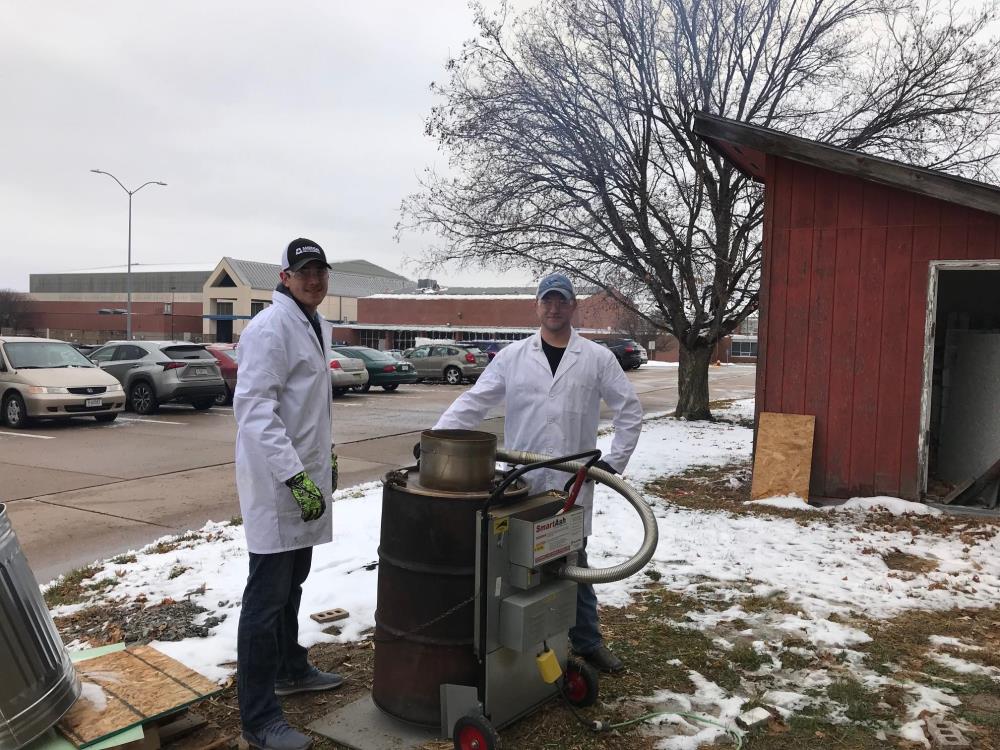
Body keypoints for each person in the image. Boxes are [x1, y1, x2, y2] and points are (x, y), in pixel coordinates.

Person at [433, 273, 642, 673]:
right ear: (537, 305)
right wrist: (437, 439)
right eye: (547, 300)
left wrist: (613, 464)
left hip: (570, 484)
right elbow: (475, 401)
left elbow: (629, 410)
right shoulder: (513, 357)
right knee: (512, 563)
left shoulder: (597, 358)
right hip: (521, 484)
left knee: (573, 563)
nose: (554, 307)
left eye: (561, 300)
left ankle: (586, 641)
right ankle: (512, 647)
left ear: (573, 305)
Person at [233, 238, 344, 750]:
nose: (314, 279)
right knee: (266, 596)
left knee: (292, 583)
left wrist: (327, 460)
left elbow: (307, 408)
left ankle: (290, 668)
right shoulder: (270, 327)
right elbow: (255, 410)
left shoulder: (313, 323)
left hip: (304, 478)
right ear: (284, 277)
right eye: (304, 271)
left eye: (320, 270)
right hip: (278, 488)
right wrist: (296, 478)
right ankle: (259, 720)